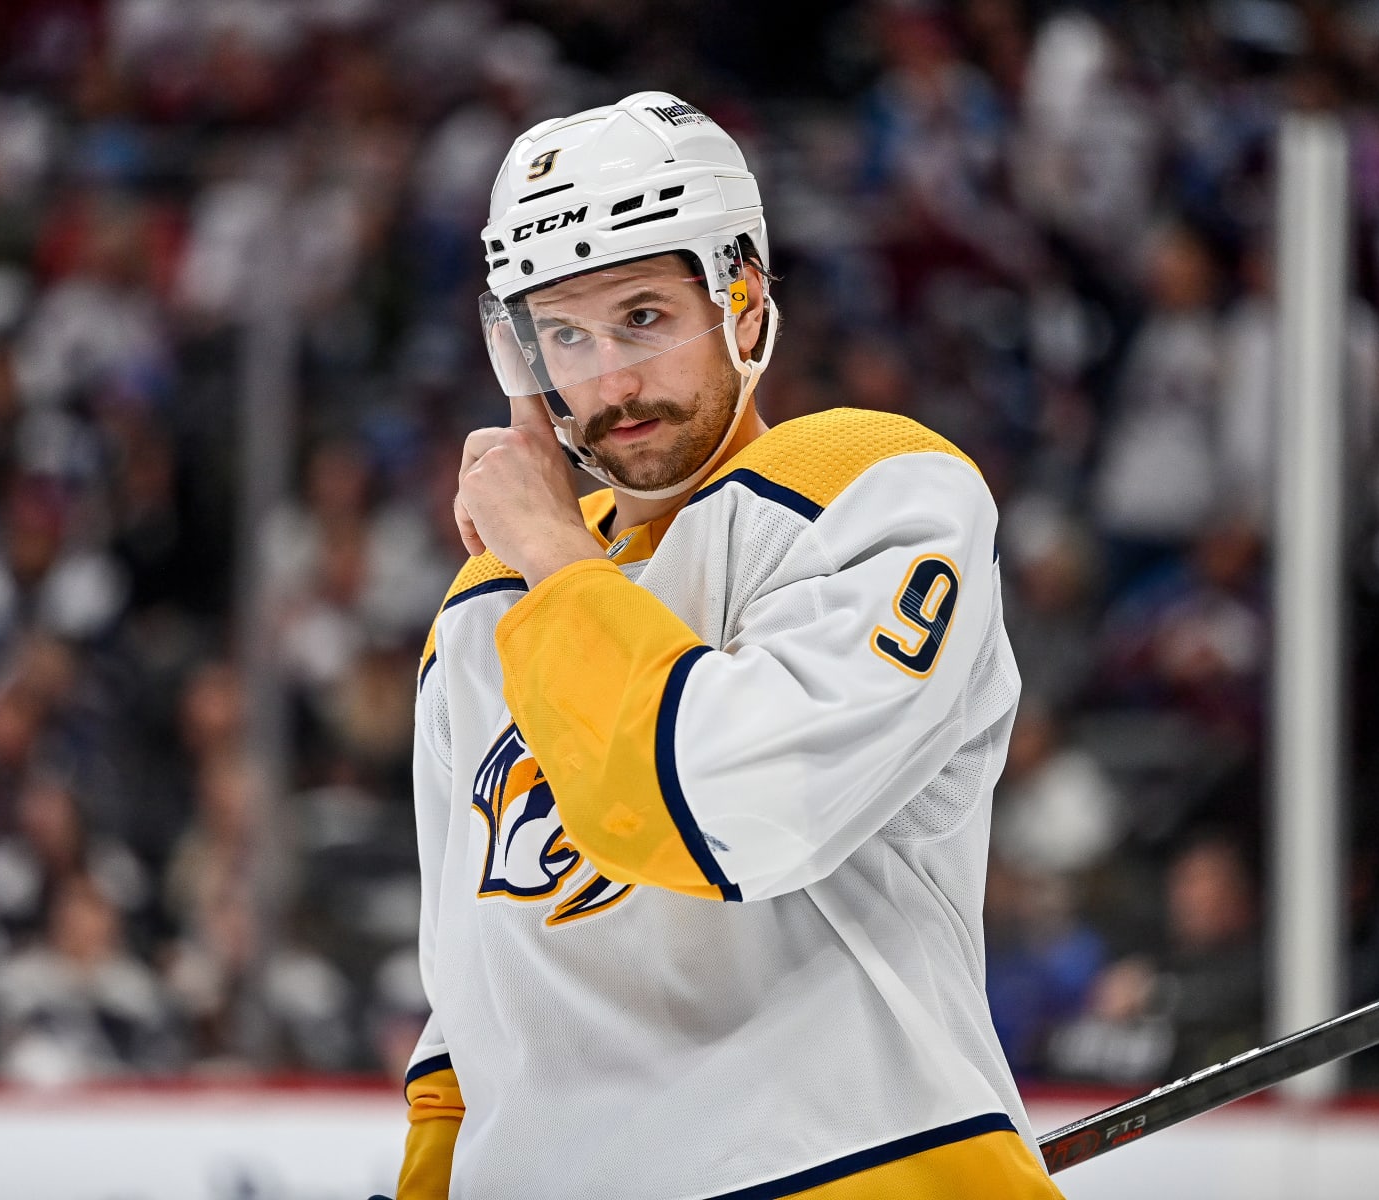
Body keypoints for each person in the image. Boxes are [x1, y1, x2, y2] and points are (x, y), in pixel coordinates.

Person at [398, 92, 1062, 1198]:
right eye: (564, 333)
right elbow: (472, 1018)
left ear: (744, 304)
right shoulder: (481, 617)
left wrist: (560, 567)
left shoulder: (871, 489)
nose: (608, 383)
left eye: (644, 317)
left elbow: (730, 814)